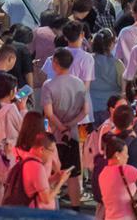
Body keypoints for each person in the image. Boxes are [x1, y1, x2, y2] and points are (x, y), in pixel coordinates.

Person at [40, 48, 90, 211]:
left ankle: (49, 204)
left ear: (55, 63)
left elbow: (48, 113)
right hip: (73, 134)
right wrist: (70, 125)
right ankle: (76, 208)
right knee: (73, 173)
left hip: (53, 136)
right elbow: (85, 111)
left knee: (50, 171)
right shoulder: (79, 83)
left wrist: (61, 127)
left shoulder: (48, 85)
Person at [98, 136, 137, 220]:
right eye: (125, 153)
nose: (128, 156)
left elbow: (117, 191)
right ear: (117, 155)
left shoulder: (103, 173)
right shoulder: (125, 169)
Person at [4, 132, 73, 209]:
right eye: (52, 151)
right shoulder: (36, 167)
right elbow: (46, 199)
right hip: (37, 213)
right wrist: (61, 182)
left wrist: (55, 177)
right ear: (42, 149)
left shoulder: (27, 161)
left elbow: (38, 185)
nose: (52, 155)